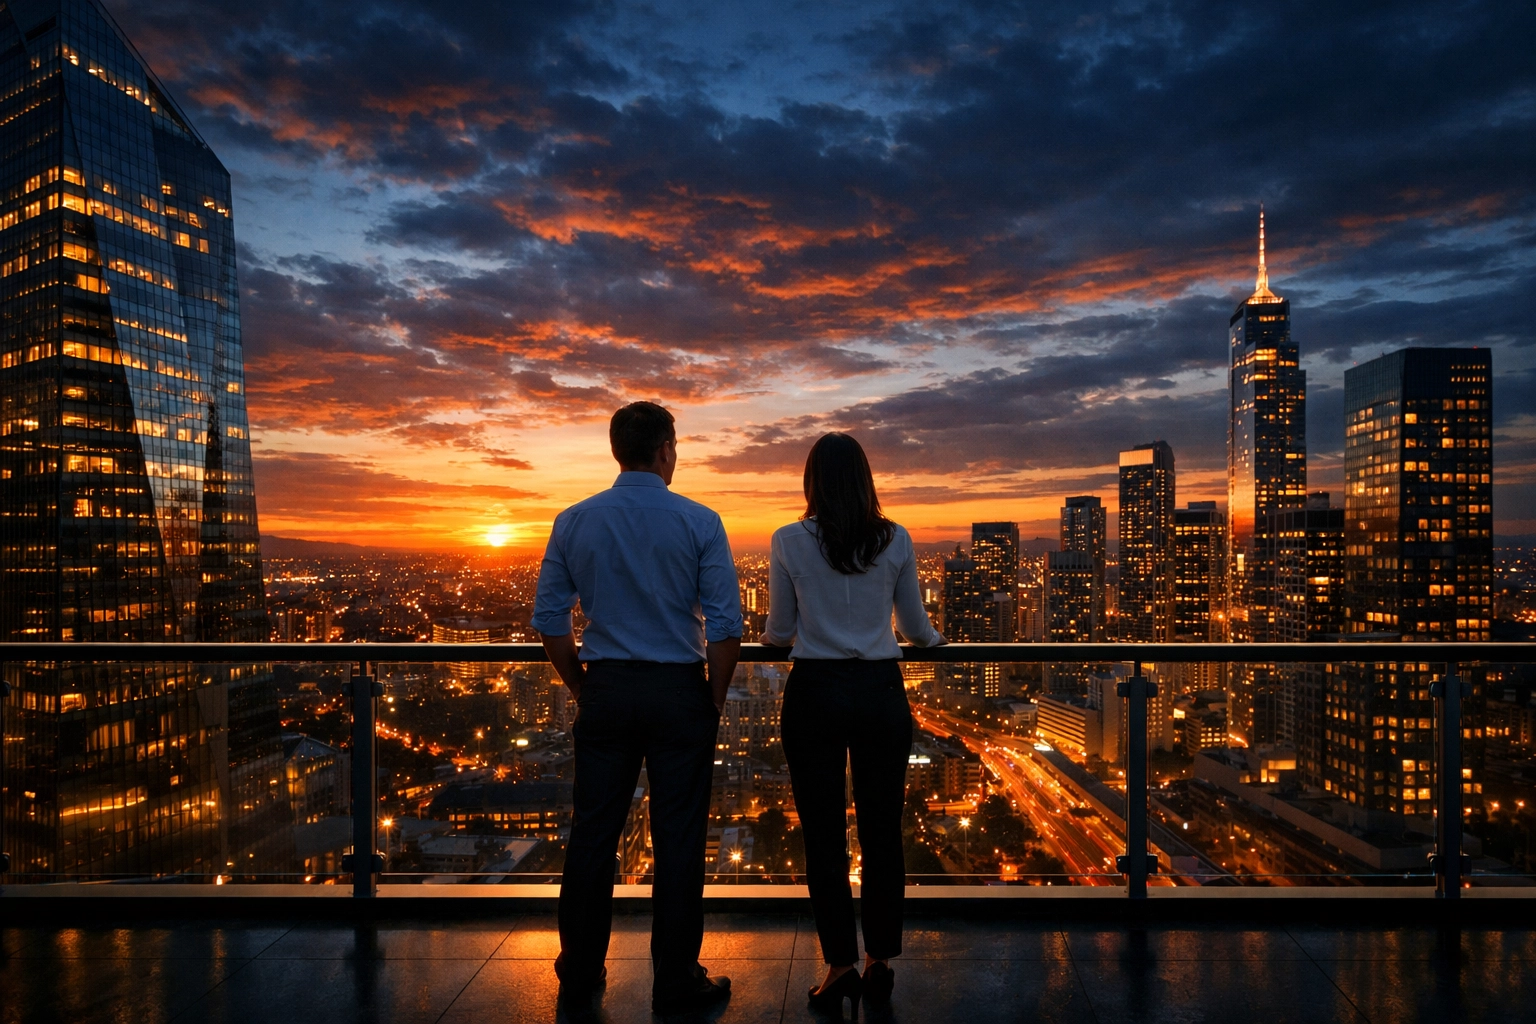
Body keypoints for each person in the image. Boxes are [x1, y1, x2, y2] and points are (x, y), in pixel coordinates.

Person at [532, 401, 742, 1015]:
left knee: (593, 834)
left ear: (617, 449)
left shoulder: (574, 520)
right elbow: (725, 627)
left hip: (607, 688)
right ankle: (675, 978)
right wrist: (714, 697)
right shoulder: (701, 522)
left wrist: (582, 686)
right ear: (666, 449)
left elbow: (550, 620)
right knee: (679, 840)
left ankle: (581, 967)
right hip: (680, 691)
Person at [760, 432, 946, 1014]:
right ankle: (879, 961)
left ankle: (839, 965)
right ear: (866, 479)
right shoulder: (895, 539)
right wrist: (937, 643)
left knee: (822, 835)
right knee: (881, 830)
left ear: (811, 481)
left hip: (815, 692)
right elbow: (915, 628)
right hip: (879, 694)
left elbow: (778, 633)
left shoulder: (789, 540)